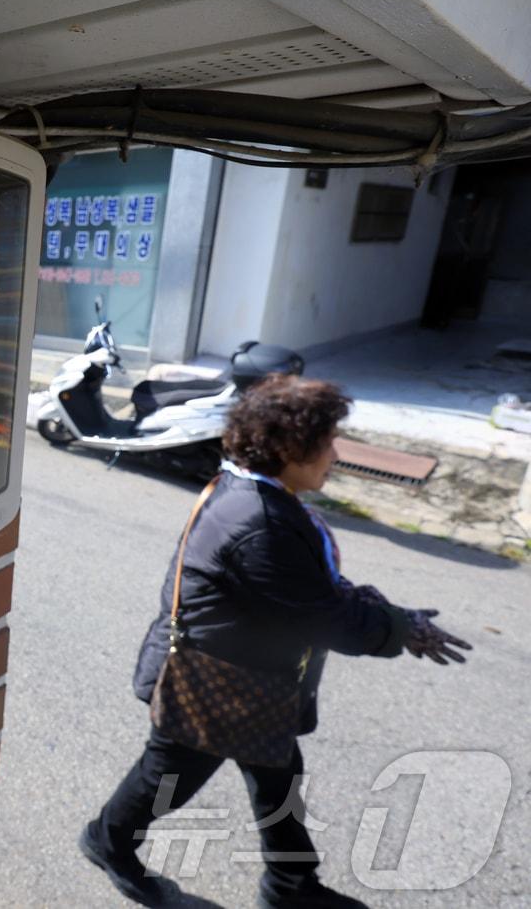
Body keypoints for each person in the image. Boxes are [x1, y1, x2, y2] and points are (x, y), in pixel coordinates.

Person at [78, 375, 471, 908]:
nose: (335, 453)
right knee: (167, 776)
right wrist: (400, 629)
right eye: (327, 441)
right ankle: (107, 842)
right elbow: (326, 615)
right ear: (288, 449)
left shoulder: (255, 491)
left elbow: (315, 590)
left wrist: (395, 619)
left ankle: (291, 885)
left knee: (278, 773)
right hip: (210, 682)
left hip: (250, 678)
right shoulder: (261, 522)